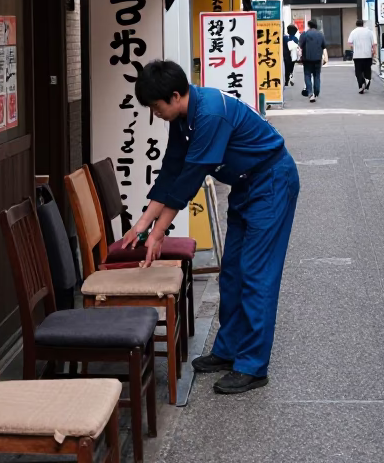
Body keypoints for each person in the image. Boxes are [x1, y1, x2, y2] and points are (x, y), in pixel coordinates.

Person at [120, 61, 300, 395]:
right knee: (231, 271)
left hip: (271, 183)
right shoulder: (183, 117)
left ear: (175, 96)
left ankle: (252, 365)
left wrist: (158, 233)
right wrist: (142, 224)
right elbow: (172, 170)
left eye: (156, 107)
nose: (155, 114)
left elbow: (189, 179)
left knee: (256, 273)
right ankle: (228, 349)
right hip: (246, 186)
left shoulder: (210, 114)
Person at [298, 19, 326, 102]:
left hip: (307, 59)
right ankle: (316, 92)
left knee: (307, 75)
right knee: (317, 75)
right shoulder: (320, 34)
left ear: (309, 25)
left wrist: (299, 57)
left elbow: (300, 46)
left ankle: (310, 93)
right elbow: (324, 46)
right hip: (317, 58)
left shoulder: (304, 34)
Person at [347, 17, 376, 94]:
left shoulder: (353, 32)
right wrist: (373, 51)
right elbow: (373, 44)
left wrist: (355, 46)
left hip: (357, 56)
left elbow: (349, 43)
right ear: (363, 24)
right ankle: (366, 82)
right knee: (367, 71)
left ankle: (361, 85)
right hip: (367, 55)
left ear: (356, 24)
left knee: (358, 72)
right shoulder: (369, 32)